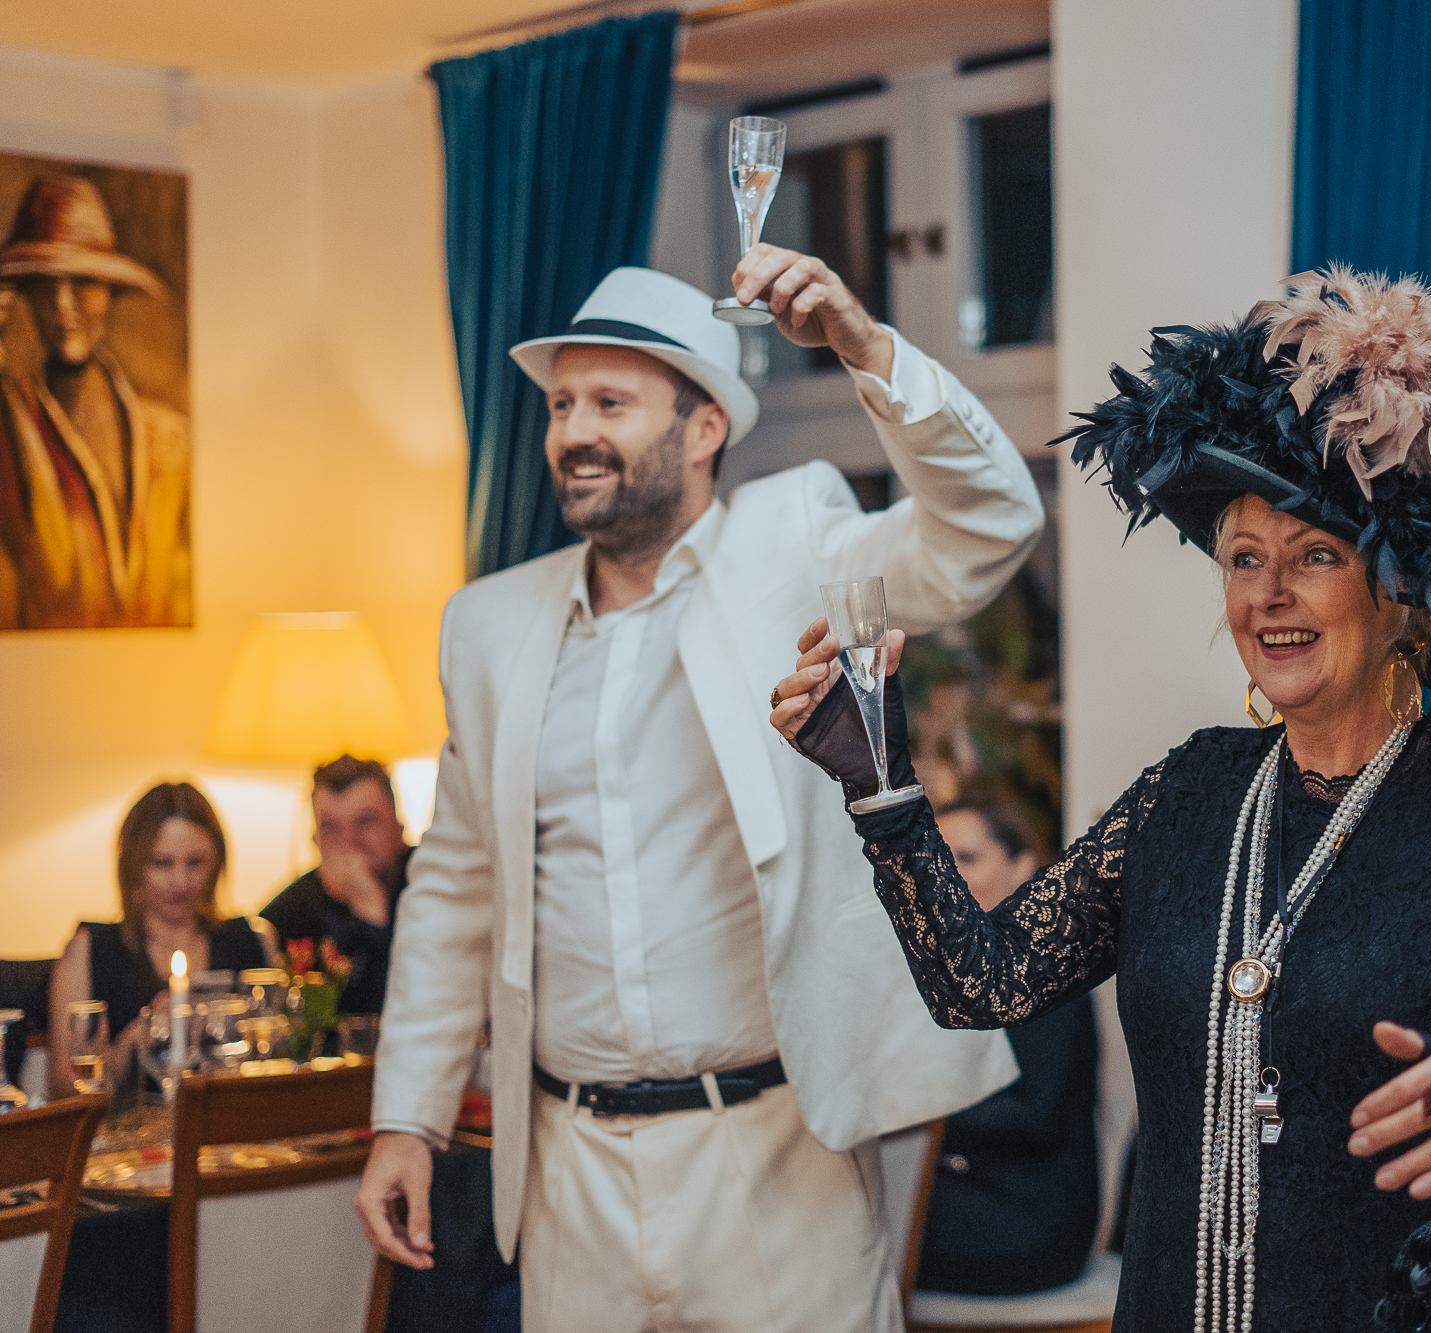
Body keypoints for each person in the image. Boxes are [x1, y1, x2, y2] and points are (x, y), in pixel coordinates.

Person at [773, 267, 1431, 1331]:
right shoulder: (1187, 790)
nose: (1267, 593)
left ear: (1402, 599)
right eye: (1244, 558)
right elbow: (984, 981)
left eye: (1315, 555)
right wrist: (880, 784)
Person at [356, 247, 1041, 1333]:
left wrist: (866, 347)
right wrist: (408, 1118)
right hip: (571, 1171)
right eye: (562, 404)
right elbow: (454, 888)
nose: (573, 431)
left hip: (774, 1156)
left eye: (611, 403)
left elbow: (989, 526)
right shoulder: (486, 623)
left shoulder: (796, 540)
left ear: (705, 426)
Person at [916, 804, 1099, 1297]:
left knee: (855, 1227)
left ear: (1023, 867)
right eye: (938, 861)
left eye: (966, 857)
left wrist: (912, 1110)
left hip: (1030, 1218)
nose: (946, 877)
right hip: (973, 1188)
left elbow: (1035, 1117)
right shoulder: (955, 971)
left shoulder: (1050, 968)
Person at [0, 175, 191, 629]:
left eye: (83, 283)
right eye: (45, 286)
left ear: (108, 291)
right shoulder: (8, 437)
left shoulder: (168, 442)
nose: (62, 306)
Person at [47, 781, 273, 1088]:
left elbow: (284, 1061)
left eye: (195, 862)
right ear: (133, 866)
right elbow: (62, 1089)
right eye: (162, 863)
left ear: (217, 861)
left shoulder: (253, 940)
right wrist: (137, 1037)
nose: (180, 882)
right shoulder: (89, 949)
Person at [259, 755, 413, 1015]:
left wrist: (370, 909)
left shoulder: (438, 888)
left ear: (398, 827)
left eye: (365, 821)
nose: (348, 841)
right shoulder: (286, 914)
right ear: (314, 839)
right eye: (330, 827)